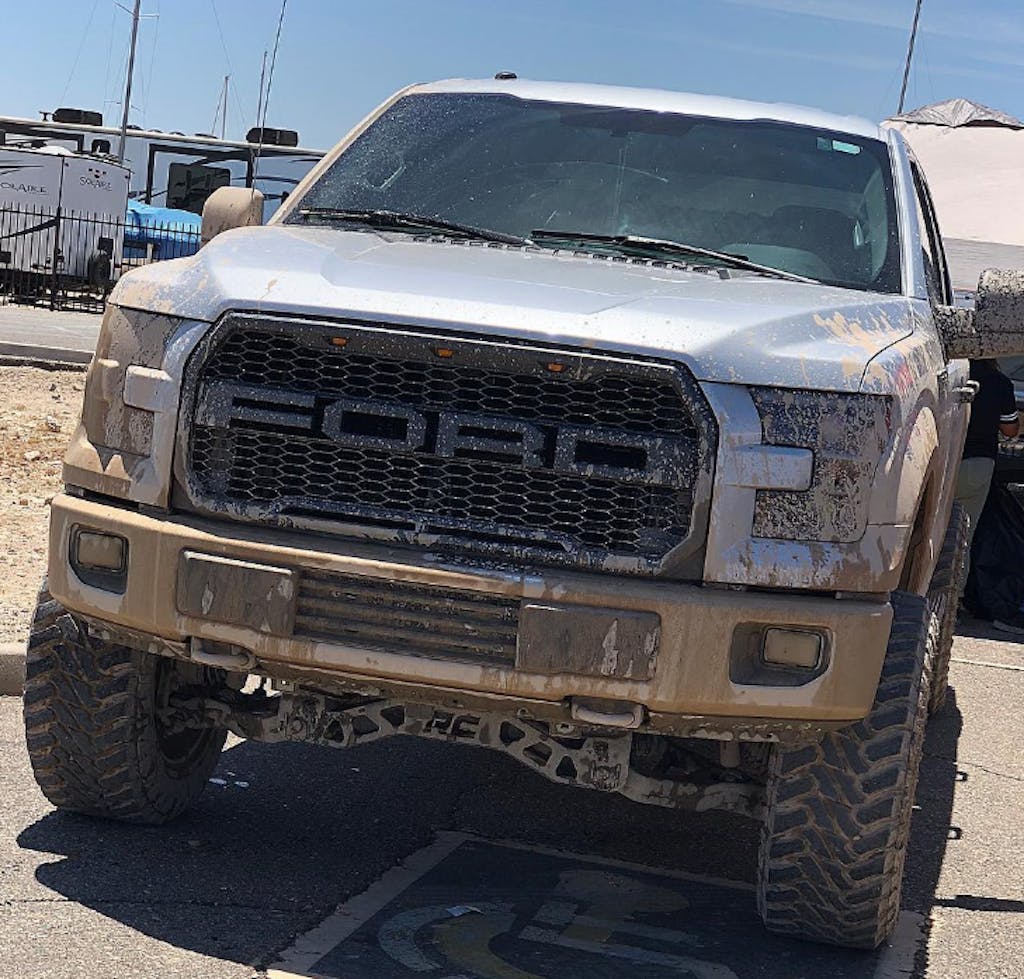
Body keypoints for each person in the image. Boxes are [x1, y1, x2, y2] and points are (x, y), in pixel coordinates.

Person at [955, 358, 1020, 619]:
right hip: (977, 464)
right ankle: (952, 602)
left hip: (940, 458)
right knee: (963, 536)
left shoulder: (949, 375)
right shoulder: (1000, 383)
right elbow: (1010, 429)